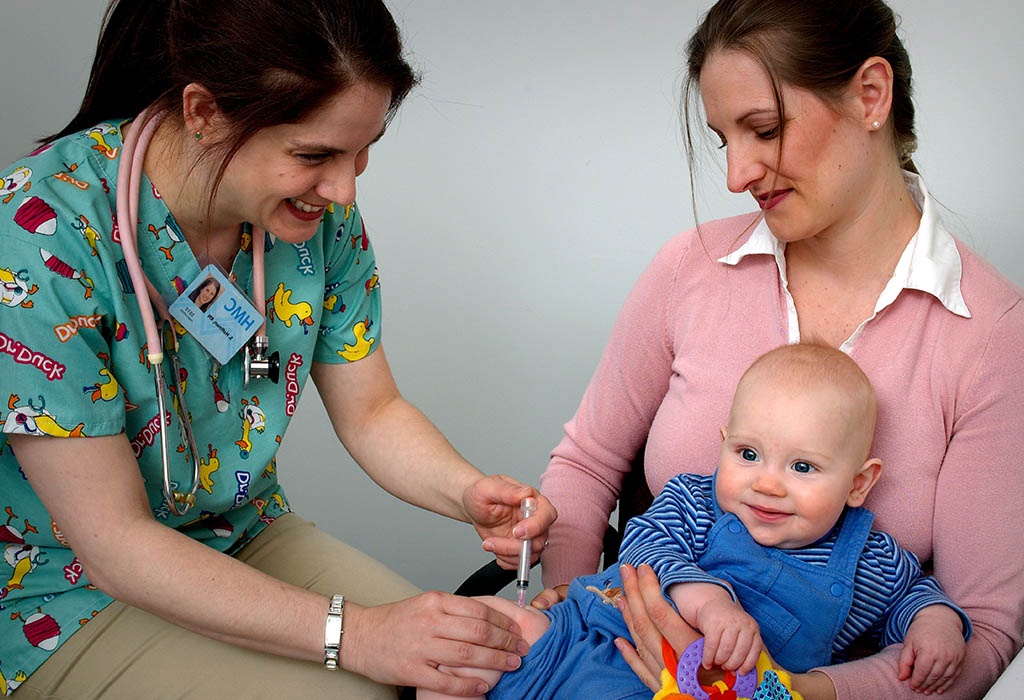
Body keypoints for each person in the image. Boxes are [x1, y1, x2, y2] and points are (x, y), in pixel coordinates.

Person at [0, 1, 556, 698]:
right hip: (68, 590)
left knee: (482, 669)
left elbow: (373, 409)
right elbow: (114, 544)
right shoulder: (41, 235)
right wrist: (358, 635)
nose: (345, 188)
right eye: (313, 155)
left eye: (362, 151)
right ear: (203, 111)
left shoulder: (312, 220)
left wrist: (467, 492)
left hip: (244, 532)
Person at [534, 1, 1024, 698]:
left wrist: (781, 694)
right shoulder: (690, 268)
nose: (737, 175)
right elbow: (585, 466)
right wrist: (574, 610)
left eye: (763, 130)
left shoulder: (992, 335)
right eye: (723, 138)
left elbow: (983, 631)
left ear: (870, 96)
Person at [419, 343, 971, 700]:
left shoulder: (871, 559)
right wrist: (709, 602)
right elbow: (644, 546)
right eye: (749, 455)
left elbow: (914, 596)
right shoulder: (697, 500)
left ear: (858, 483)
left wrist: (935, 625)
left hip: (689, 692)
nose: (768, 483)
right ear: (723, 445)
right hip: (583, 632)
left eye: (802, 466)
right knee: (462, 634)